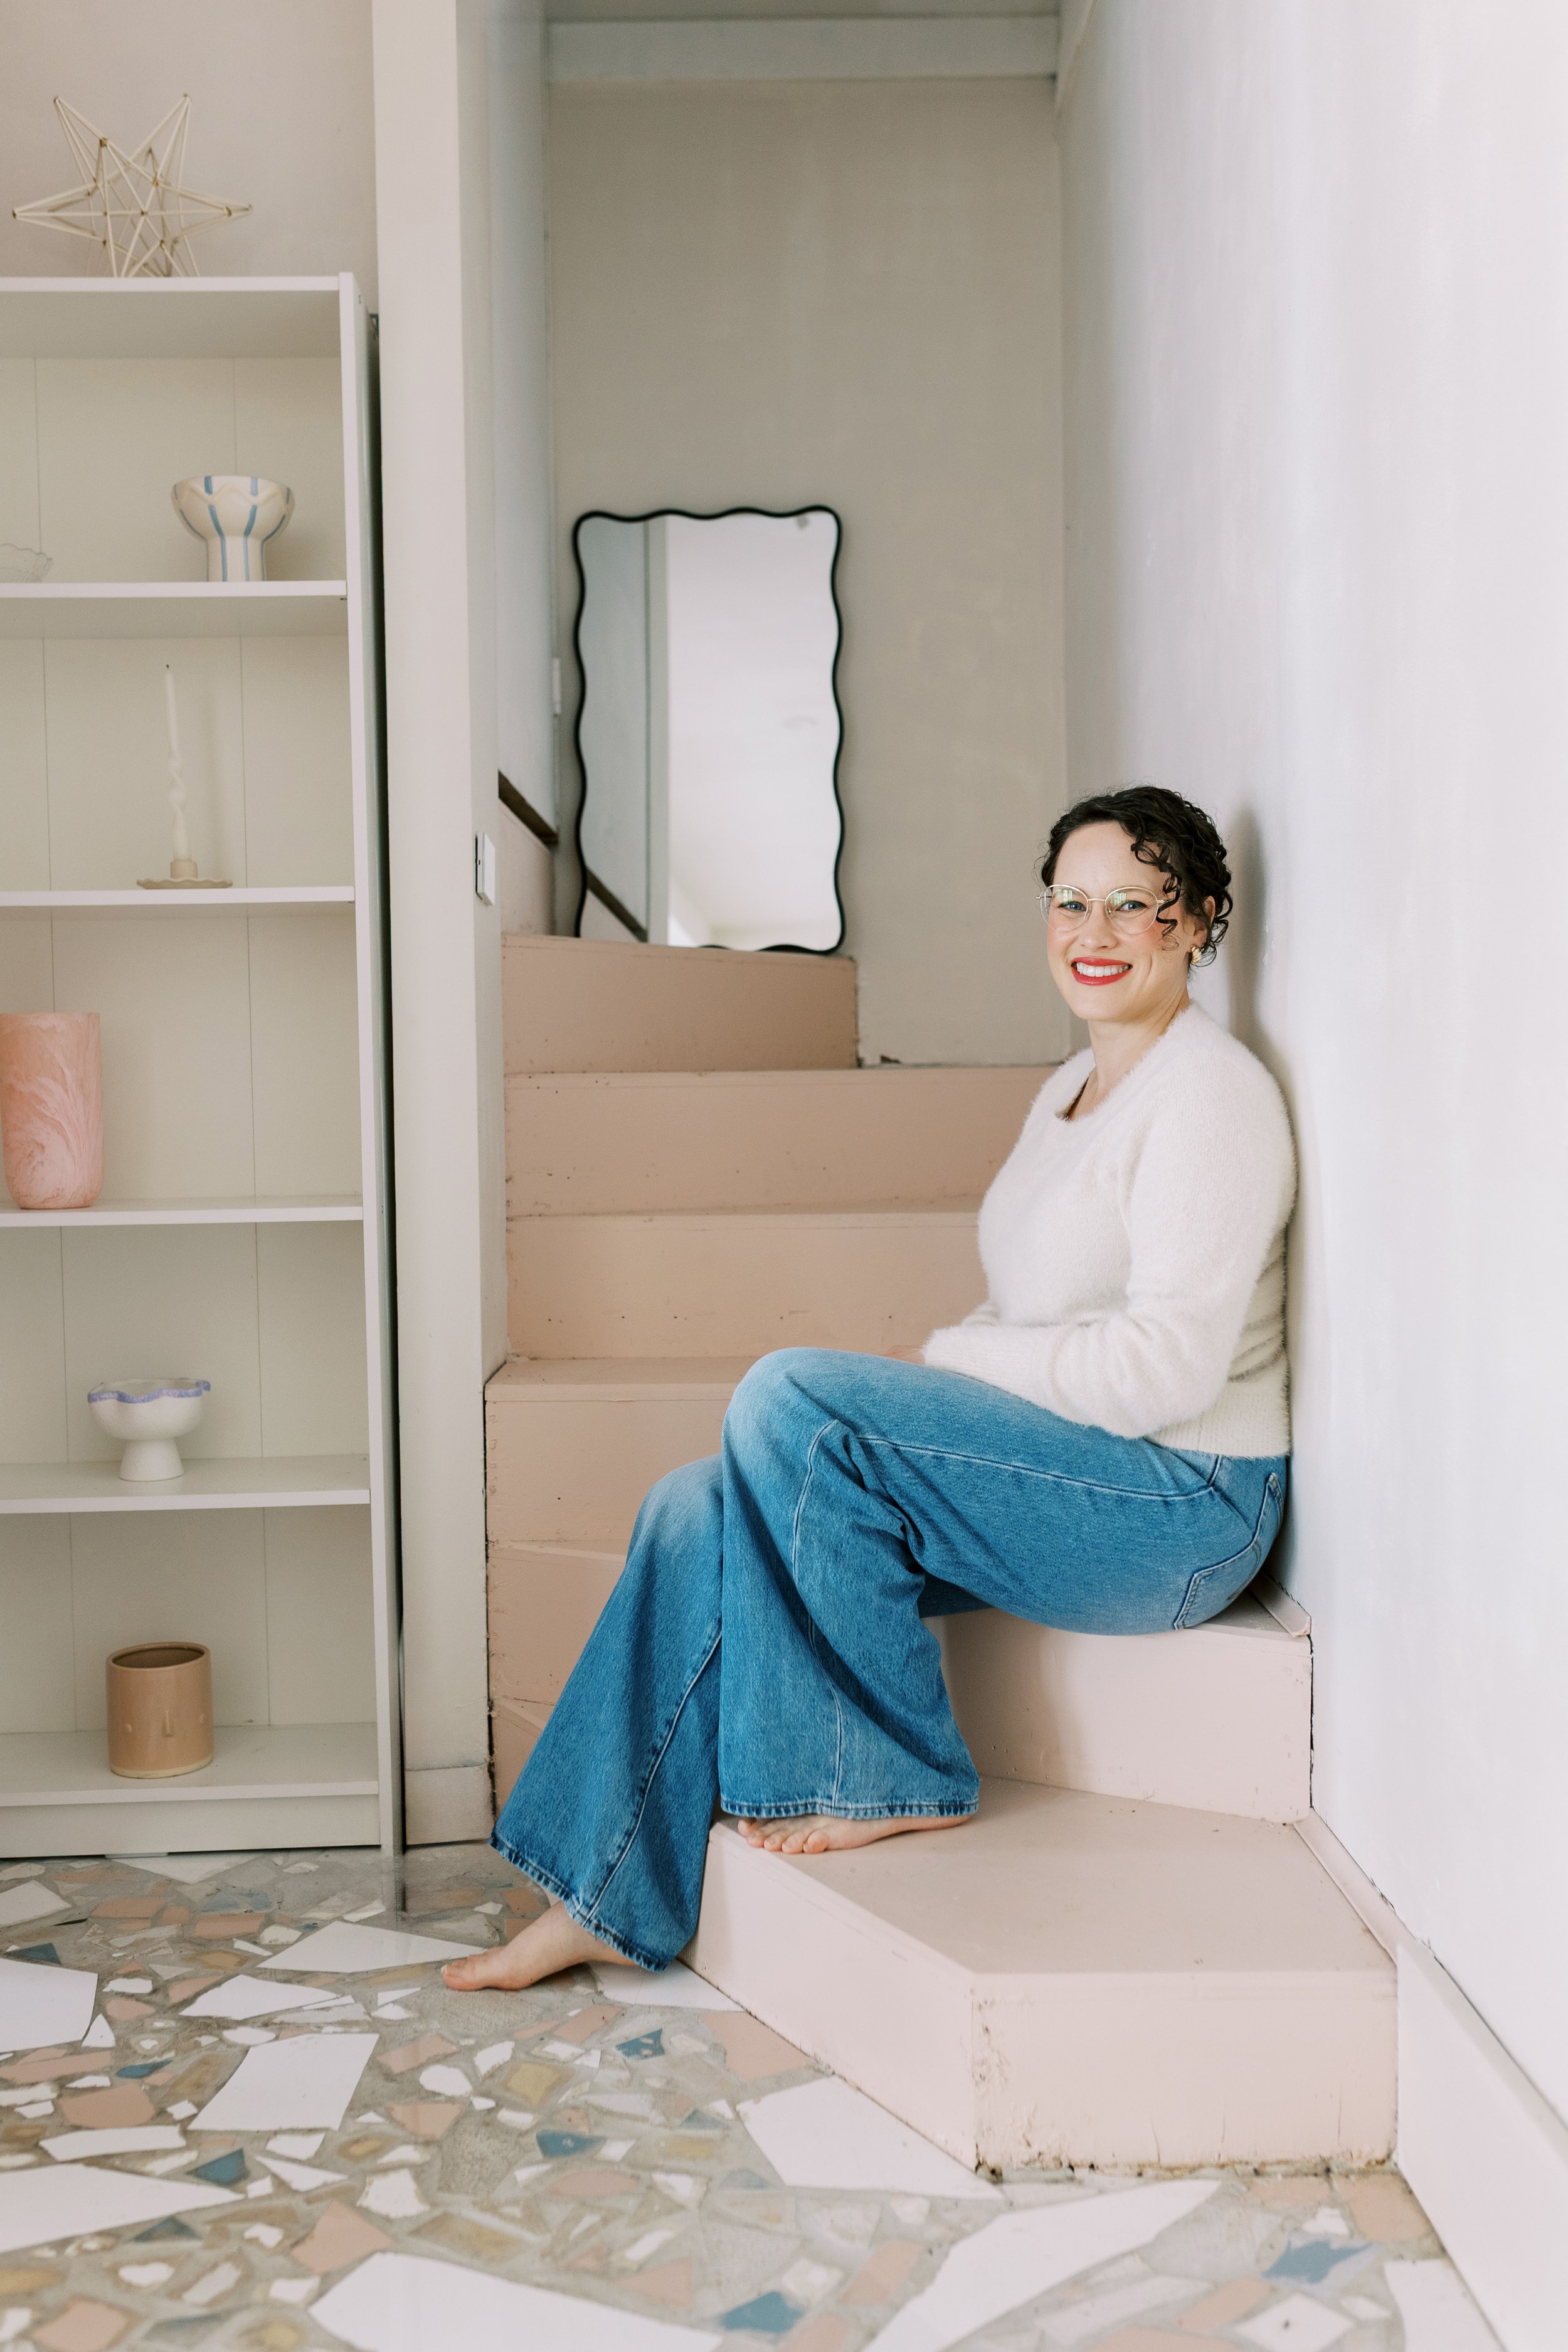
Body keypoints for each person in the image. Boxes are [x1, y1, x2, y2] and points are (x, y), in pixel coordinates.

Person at [445, 785, 1296, 1994]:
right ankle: (606, 1882)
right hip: (1076, 1462)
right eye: (1070, 901)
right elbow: (1033, 1319)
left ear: (1196, 923)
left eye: (1133, 906)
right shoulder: (1069, 1093)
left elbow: (1168, 1366)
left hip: (1183, 1506)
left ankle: (881, 1767)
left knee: (791, 1395)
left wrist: (949, 1364)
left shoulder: (1209, 1097)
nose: (1092, 932)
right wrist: (956, 1377)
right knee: (701, 1503)